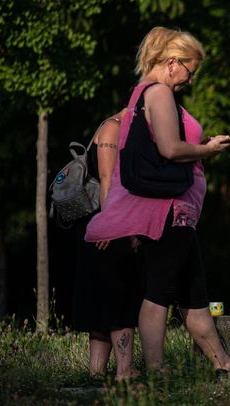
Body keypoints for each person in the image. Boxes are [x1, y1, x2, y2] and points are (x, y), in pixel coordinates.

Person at [85, 26, 230, 377]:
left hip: (179, 215)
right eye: (189, 72)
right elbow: (170, 149)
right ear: (172, 63)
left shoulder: (139, 94)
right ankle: (157, 371)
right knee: (158, 295)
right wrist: (209, 149)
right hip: (168, 213)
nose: (189, 81)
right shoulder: (158, 93)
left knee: (194, 298)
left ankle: (226, 368)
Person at [72, 108, 143, 381]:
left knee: (101, 301)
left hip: (102, 224)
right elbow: (107, 179)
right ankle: (125, 371)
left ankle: (95, 373)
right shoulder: (113, 128)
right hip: (106, 226)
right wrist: (111, 224)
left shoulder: (120, 128)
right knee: (119, 296)